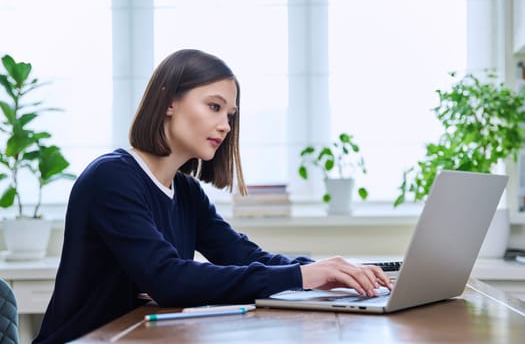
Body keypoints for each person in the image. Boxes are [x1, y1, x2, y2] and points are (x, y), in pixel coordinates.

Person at [33, 49, 392, 343]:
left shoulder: (186, 192)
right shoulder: (111, 178)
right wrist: (301, 277)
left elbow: (245, 256)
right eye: (214, 107)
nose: (225, 125)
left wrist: (327, 272)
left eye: (231, 115)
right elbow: (169, 280)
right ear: (168, 102)